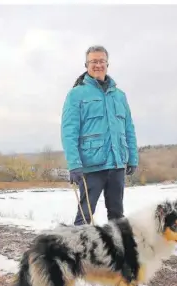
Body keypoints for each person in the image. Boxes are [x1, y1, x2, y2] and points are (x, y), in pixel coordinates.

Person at [61, 45, 139, 226]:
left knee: (117, 216)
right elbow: (68, 131)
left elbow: (129, 129)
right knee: (85, 216)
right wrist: (74, 164)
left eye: (101, 61)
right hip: (90, 167)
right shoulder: (76, 94)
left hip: (117, 164)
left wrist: (132, 158)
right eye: (93, 61)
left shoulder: (120, 96)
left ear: (107, 64)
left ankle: (115, 253)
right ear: (86, 65)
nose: (98, 65)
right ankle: (78, 252)